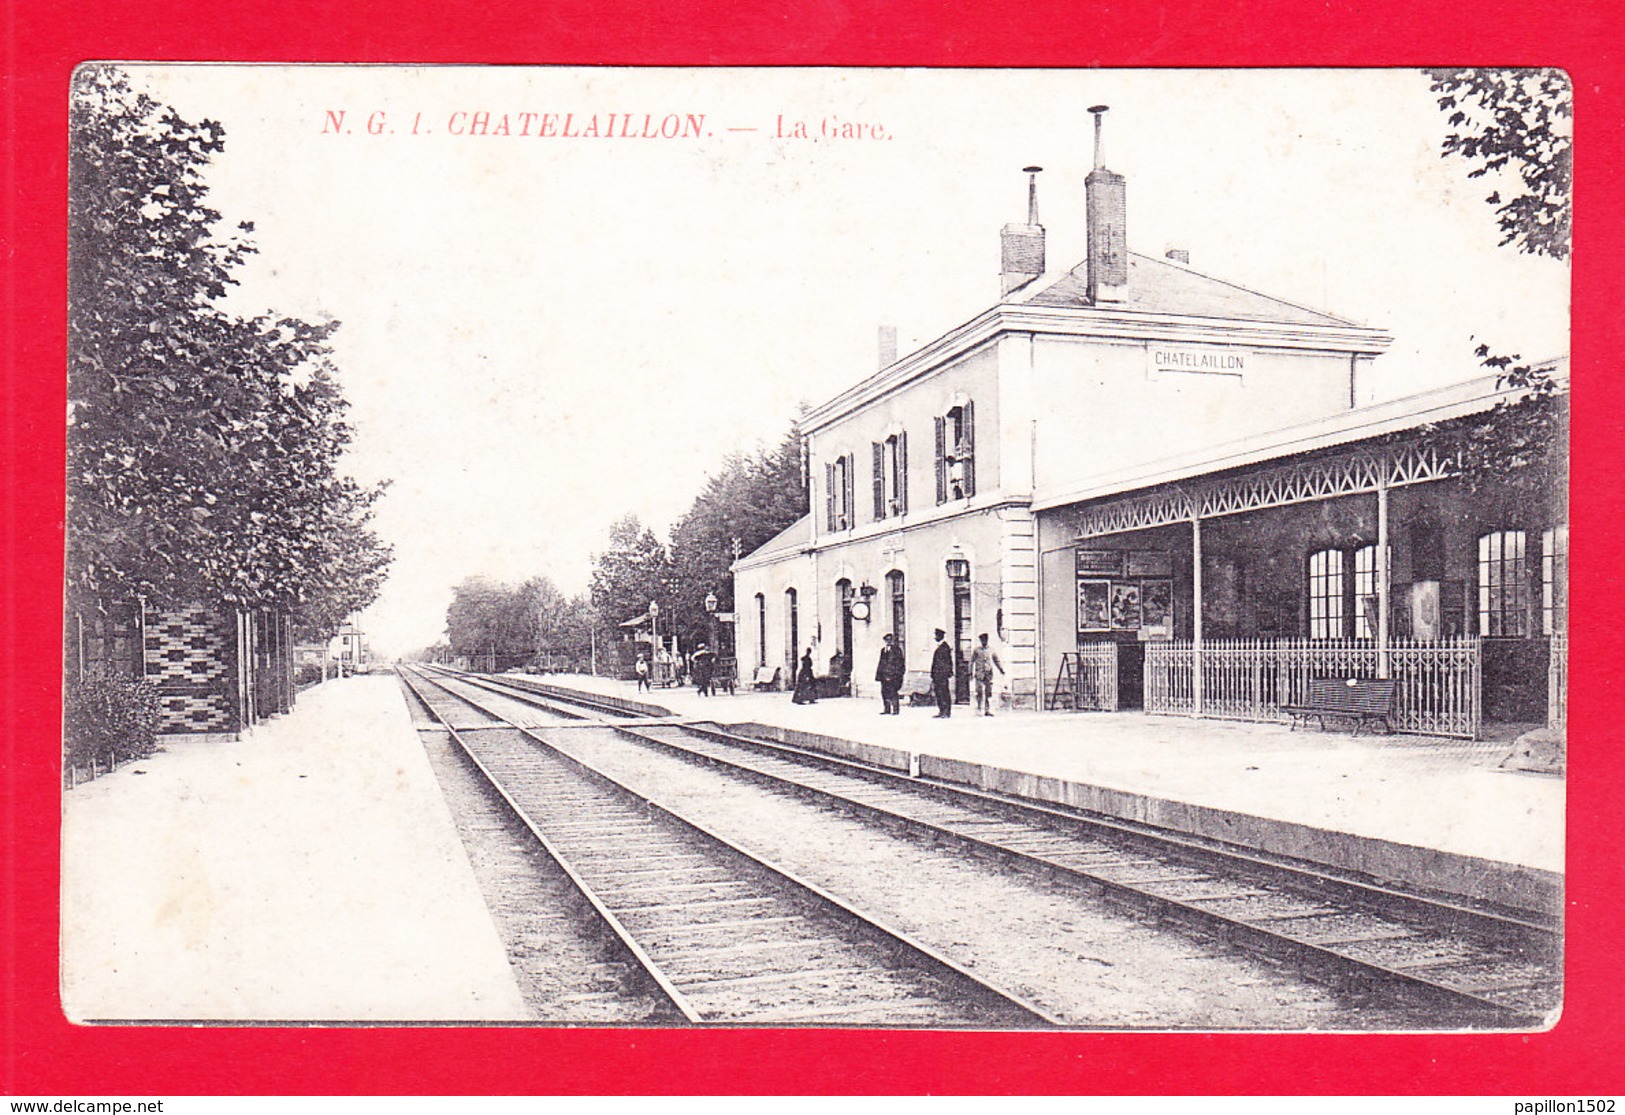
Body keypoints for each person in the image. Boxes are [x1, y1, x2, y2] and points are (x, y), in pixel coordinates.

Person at [970, 633, 1004, 716]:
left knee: (988, 692)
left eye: (985, 640)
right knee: (979, 692)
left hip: (988, 674)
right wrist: (970, 672)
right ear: (980, 641)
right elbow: (971, 661)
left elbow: (996, 660)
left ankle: (987, 710)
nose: (984, 641)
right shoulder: (976, 650)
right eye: (982, 640)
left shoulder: (991, 650)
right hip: (979, 674)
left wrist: (1001, 669)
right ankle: (979, 709)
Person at [875, 633, 905, 715]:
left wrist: (897, 674)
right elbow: (881, 663)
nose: (888, 642)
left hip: (893, 676)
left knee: (893, 692)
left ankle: (895, 709)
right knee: (884, 692)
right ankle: (886, 709)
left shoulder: (896, 650)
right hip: (884, 676)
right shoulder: (883, 650)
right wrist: (879, 675)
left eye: (890, 640)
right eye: (887, 640)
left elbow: (900, 663)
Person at [930, 628, 955, 718]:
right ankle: (941, 711)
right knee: (939, 693)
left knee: (944, 693)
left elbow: (948, 662)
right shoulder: (939, 647)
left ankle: (946, 712)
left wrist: (947, 673)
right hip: (937, 675)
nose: (935, 637)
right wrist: (933, 674)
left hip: (942, 675)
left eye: (937, 635)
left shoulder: (945, 647)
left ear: (941, 636)